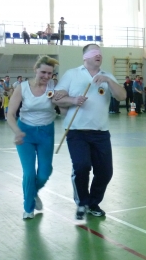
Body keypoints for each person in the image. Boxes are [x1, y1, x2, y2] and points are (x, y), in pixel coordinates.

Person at [54, 44, 127, 220]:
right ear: (85, 57)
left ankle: (93, 202)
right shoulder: (72, 74)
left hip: (101, 132)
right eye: (94, 52)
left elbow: (122, 96)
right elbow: (58, 98)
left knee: (105, 171)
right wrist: (73, 100)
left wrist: (108, 81)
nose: (98, 55)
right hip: (76, 131)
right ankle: (82, 202)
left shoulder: (107, 76)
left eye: (100, 52)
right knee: (82, 166)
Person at [7, 56, 59, 219]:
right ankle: (28, 208)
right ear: (35, 70)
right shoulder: (22, 88)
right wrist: (17, 131)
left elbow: (63, 105)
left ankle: (33, 192)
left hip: (46, 132)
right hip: (25, 133)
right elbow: (10, 114)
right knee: (29, 172)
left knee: (45, 172)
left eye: (50, 73)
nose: (46, 76)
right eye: (43, 72)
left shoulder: (54, 86)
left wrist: (73, 102)